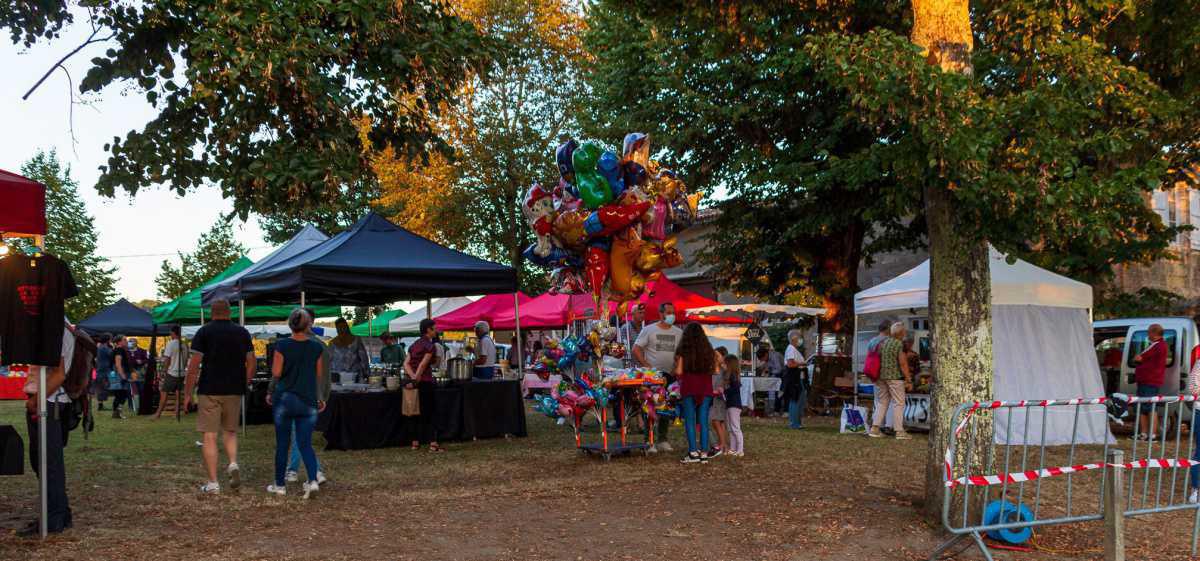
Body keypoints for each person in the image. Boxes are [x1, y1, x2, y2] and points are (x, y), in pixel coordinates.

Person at [183, 299, 254, 494]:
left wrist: (188, 393)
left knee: (209, 435)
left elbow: (193, 366)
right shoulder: (242, 332)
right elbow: (251, 362)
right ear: (229, 312)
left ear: (212, 312)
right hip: (234, 389)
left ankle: (213, 483)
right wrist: (244, 382)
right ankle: (232, 462)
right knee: (230, 432)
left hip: (209, 389)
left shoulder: (204, 332)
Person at [18, 322, 76, 536]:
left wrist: (36, 401)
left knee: (47, 463)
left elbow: (60, 373)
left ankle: (53, 519)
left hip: (49, 401)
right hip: (47, 400)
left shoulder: (56, 327)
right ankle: (60, 513)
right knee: (42, 462)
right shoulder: (57, 326)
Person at [266, 309, 326, 498]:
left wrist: (269, 392)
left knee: (283, 443)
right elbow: (318, 375)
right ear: (309, 325)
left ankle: (280, 485)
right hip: (308, 399)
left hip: (285, 398)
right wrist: (320, 397)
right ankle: (313, 481)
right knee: (305, 444)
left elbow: (276, 373)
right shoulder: (317, 348)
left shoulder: (281, 345)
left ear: (290, 324)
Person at [283, 308, 330, 484]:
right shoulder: (319, 345)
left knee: (299, 434)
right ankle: (310, 471)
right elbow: (325, 376)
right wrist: (322, 396)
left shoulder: (293, 344)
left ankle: (304, 471)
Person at [633, 302, 683, 453]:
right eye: (668, 312)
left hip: (670, 375)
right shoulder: (649, 330)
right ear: (660, 314)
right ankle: (649, 441)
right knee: (649, 407)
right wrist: (646, 365)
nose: (672, 315)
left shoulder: (678, 332)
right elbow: (636, 349)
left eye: (673, 312)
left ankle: (662, 439)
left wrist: (677, 368)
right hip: (652, 376)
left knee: (667, 406)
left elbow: (681, 352)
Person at [675, 322, 719, 464]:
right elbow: (716, 371)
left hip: (689, 387)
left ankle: (693, 452)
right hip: (705, 388)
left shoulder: (684, 350)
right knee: (703, 421)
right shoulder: (709, 351)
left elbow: (679, 371)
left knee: (690, 420)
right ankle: (704, 453)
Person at [404, 318, 444, 452]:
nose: (436, 330)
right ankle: (433, 444)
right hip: (425, 382)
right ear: (429, 330)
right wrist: (417, 378)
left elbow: (406, 364)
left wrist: (412, 378)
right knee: (430, 412)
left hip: (414, 382)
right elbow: (423, 364)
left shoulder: (414, 345)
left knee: (414, 412)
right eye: (435, 328)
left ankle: (415, 443)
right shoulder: (429, 346)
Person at [868, 322, 913, 440]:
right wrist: (908, 379)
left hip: (881, 376)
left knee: (882, 402)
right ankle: (899, 431)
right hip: (894, 377)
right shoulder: (899, 344)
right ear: (902, 333)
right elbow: (903, 363)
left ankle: (874, 428)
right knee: (898, 403)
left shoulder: (883, 342)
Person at [1132, 324, 1168, 441]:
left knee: (1150, 407)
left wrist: (1138, 358)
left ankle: (1152, 434)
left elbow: (1140, 358)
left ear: (1153, 333)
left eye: (1149, 332)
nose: (1148, 335)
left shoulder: (1159, 345)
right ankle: (1144, 433)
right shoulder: (1156, 345)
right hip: (1145, 380)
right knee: (1142, 407)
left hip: (1150, 380)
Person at [155, 325, 187, 419]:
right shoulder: (184, 344)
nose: (170, 334)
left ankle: (158, 414)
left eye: (170, 332)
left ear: (173, 333)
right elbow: (185, 360)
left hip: (172, 372)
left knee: (164, 392)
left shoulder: (171, 343)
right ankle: (176, 413)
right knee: (178, 393)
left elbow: (167, 359)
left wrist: (163, 371)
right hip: (181, 373)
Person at [328, 318, 370, 383]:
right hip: (336, 377)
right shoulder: (332, 343)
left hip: (354, 377)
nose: (341, 330)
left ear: (347, 327)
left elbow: (364, 360)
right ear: (337, 329)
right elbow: (328, 361)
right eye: (339, 328)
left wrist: (367, 374)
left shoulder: (357, 340)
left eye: (343, 327)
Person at [783, 331, 809, 430]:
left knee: (799, 400)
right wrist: (802, 363)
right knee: (795, 399)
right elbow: (790, 364)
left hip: (798, 377)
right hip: (794, 377)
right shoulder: (790, 349)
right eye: (799, 337)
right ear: (794, 338)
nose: (800, 340)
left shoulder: (794, 349)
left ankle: (797, 422)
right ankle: (794, 423)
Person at [709, 349, 729, 457]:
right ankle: (723, 444)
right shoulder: (711, 369)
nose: (715, 357)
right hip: (713, 398)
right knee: (717, 422)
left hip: (720, 399)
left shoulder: (723, 370)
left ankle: (723, 444)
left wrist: (722, 389)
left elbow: (727, 382)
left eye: (717, 355)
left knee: (717, 421)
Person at [724, 354, 745, 457]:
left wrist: (724, 390)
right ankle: (733, 448)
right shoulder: (731, 375)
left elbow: (735, 389)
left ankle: (740, 450)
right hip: (730, 404)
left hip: (734, 405)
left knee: (735, 428)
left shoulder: (733, 376)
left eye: (725, 363)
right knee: (730, 428)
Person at [109, 334, 131, 419]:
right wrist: (123, 375)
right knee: (122, 394)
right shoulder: (119, 350)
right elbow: (118, 364)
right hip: (119, 374)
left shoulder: (117, 349)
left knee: (119, 394)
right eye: (125, 340)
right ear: (119, 342)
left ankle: (116, 413)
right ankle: (117, 413)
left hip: (116, 374)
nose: (126, 341)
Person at [127, 337, 149, 414]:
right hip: (131, 371)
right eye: (129, 341)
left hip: (140, 372)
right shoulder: (126, 351)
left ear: (136, 343)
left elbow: (147, 360)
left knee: (141, 389)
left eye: (132, 341)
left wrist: (142, 361)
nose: (130, 343)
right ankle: (131, 405)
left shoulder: (142, 350)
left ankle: (141, 405)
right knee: (130, 390)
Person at [94, 333, 113, 411]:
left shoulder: (100, 347)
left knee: (102, 387)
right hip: (103, 370)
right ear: (108, 340)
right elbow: (112, 354)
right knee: (103, 387)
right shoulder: (104, 347)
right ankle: (101, 405)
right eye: (110, 339)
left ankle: (101, 405)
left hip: (101, 369)